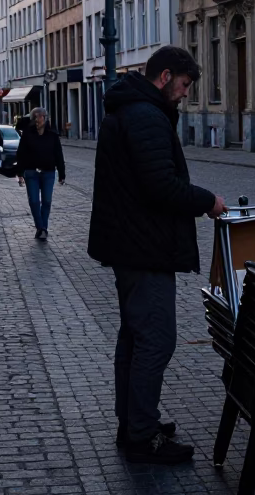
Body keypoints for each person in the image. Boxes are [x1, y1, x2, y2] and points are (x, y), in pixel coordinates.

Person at [88, 45, 227, 465]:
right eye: (184, 85)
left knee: (134, 337)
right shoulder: (145, 115)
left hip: (130, 244)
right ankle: (142, 435)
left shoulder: (132, 108)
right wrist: (207, 200)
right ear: (165, 77)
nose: (185, 94)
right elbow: (160, 186)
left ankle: (132, 421)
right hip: (142, 246)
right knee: (157, 339)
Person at [16, 106, 65, 239]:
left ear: (45, 118)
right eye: (35, 117)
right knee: (34, 201)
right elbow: (21, 154)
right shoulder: (27, 134)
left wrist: (62, 174)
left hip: (48, 172)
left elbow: (58, 155)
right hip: (31, 172)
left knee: (47, 201)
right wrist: (19, 173)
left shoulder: (52, 135)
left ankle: (43, 227)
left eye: (40, 116)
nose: (38, 119)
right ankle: (41, 227)